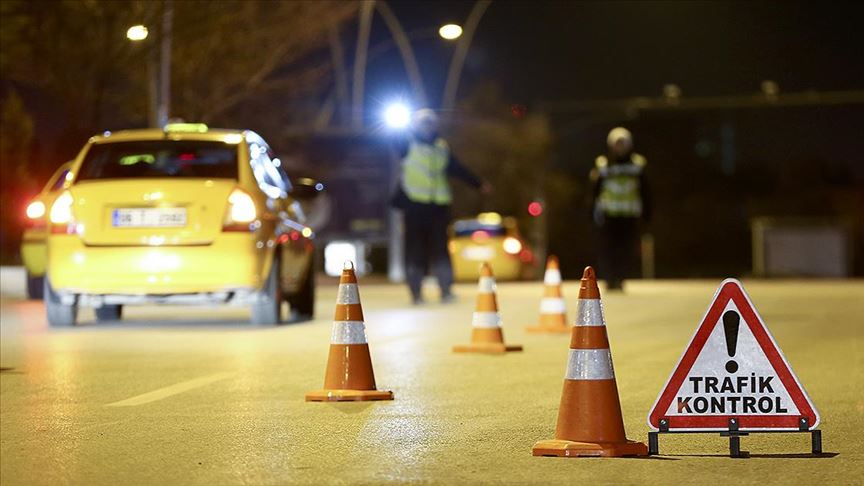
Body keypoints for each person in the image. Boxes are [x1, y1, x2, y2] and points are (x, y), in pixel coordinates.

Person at [392, 109, 490, 304]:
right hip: (414, 205)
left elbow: (457, 169)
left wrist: (478, 184)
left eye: (430, 124)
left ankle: (445, 289)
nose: (427, 127)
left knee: (440, 249)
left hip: (438, 206)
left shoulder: (441, 147)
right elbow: (394, 139)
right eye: (423, 124)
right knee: (415, 249)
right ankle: (416, 292)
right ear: (416, 125)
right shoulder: (406, 144)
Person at [589, 127, 651, 291]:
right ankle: (609, 279)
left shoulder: (638, 164)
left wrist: (647, 213)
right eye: (617, 143)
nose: (620, 147)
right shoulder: (602, 164)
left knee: (626, 249)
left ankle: (621, 278)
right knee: (608, 248)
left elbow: (645, 190)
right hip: (608, 214)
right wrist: (591, 211)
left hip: (629, 215)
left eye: (623, 143)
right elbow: (595, 190)